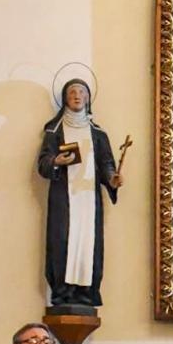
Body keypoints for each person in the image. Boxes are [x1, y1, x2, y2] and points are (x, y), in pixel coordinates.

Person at [38, 76, 122, 307]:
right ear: (65, 98)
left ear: (88, 98)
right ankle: (62, 290)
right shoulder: (54, 130)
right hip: (65, 197)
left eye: (81, 92)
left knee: (87, 241)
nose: (77, 96)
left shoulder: (97, 133)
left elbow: (106, 164)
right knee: (63, 238)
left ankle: (86, 291)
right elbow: (43, 163)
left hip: (88, 198)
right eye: (72, 92)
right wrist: (57, 160)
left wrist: (112, 179)